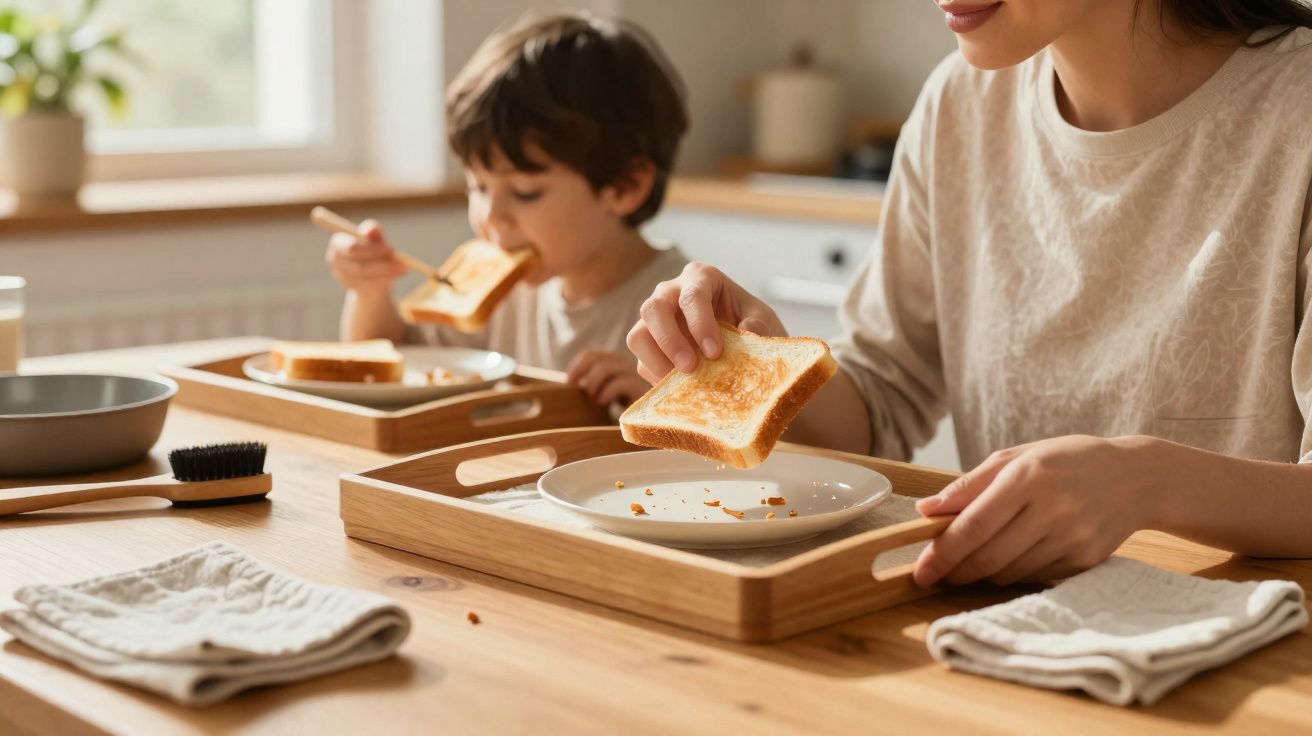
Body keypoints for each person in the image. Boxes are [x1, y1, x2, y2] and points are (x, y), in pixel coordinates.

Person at [626, 0, 1312, 586]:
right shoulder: (959, 103)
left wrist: (1148, 479)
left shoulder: (1296, 108)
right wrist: (761, 366)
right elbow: (881, 397)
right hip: (1005, 638)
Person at [325, 13, 690, 408]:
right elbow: (392, 365)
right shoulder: (502, 296)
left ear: (626, 186)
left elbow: (729, 451)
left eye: (525, 192)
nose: (492, 216)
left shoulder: (685, 310)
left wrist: (663, 407)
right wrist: (369, 291)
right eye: (477, 186)